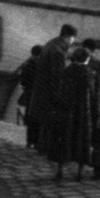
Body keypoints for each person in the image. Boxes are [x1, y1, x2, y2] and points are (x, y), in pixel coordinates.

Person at [48, 46, 99, 181]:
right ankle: (79, 173)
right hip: (83, 113)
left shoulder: (65, 72)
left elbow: (56, 91)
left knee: (64, 140)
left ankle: (60, 171)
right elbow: (93, 95)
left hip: (66, 111)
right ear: (87, 59)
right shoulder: (90, 73)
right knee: (82, 140)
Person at [27, 23, 77, 155]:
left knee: (39, 117)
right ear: (68, 37)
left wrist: (69, 55)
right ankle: (43, 148)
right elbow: (57, 76)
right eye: (73, 38)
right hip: (49, 91)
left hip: (40, 88)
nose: (73, 42)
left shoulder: (51, 43)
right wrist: (59, 95)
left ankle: (36, 144)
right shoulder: (59, 52)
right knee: (48, 120)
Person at [16, 45, 44, 147]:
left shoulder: (27, 64)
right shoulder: (41, 66)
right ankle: (36, 141)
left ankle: (29, 141)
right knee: (37, 119)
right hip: (38, 95)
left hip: (29, 94)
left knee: (30, 118)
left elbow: (23, 82)